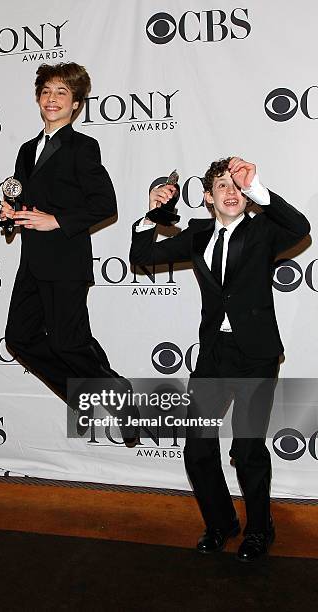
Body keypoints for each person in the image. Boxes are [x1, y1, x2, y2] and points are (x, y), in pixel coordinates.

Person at [130, 157, 310, 561]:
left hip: (256, 356)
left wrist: (259, 188)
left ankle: (260, 530)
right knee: (196, 449)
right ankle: (221, 523)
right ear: (208, 198)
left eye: (236, 186)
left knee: (247, 450)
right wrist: (151, 213)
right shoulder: (197, 234)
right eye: (221, 187)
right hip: (213, 354)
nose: (230, 192)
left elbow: (300, 228)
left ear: (245, 195)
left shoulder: (263, 230)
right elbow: (142, 254)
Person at [0, 62, 136, 445]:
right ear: (38, 99)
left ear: (76, 104)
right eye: (46, 92)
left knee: (68, 344)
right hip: (32, 263)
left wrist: (55, 221)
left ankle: (118, 394)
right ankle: (87, 397)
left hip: (66, 263)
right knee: (19, 338)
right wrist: (12, 215)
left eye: (62, 93)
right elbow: (24, 200)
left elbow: (105, 205)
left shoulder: (83, 147)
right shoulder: (27, 150)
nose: (52, 99)